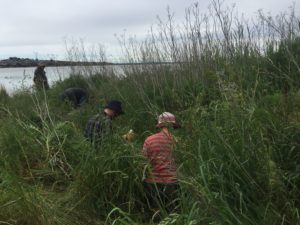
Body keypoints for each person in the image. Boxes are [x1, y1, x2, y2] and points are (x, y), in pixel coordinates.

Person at [142, 112, 181, 214]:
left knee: (156, 213)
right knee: (172, 214)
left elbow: (143, 161)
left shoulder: (149, 140)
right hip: (172, 182)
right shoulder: (176, 141)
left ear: (160, 125)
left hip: (153, 182)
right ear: (172, 125)